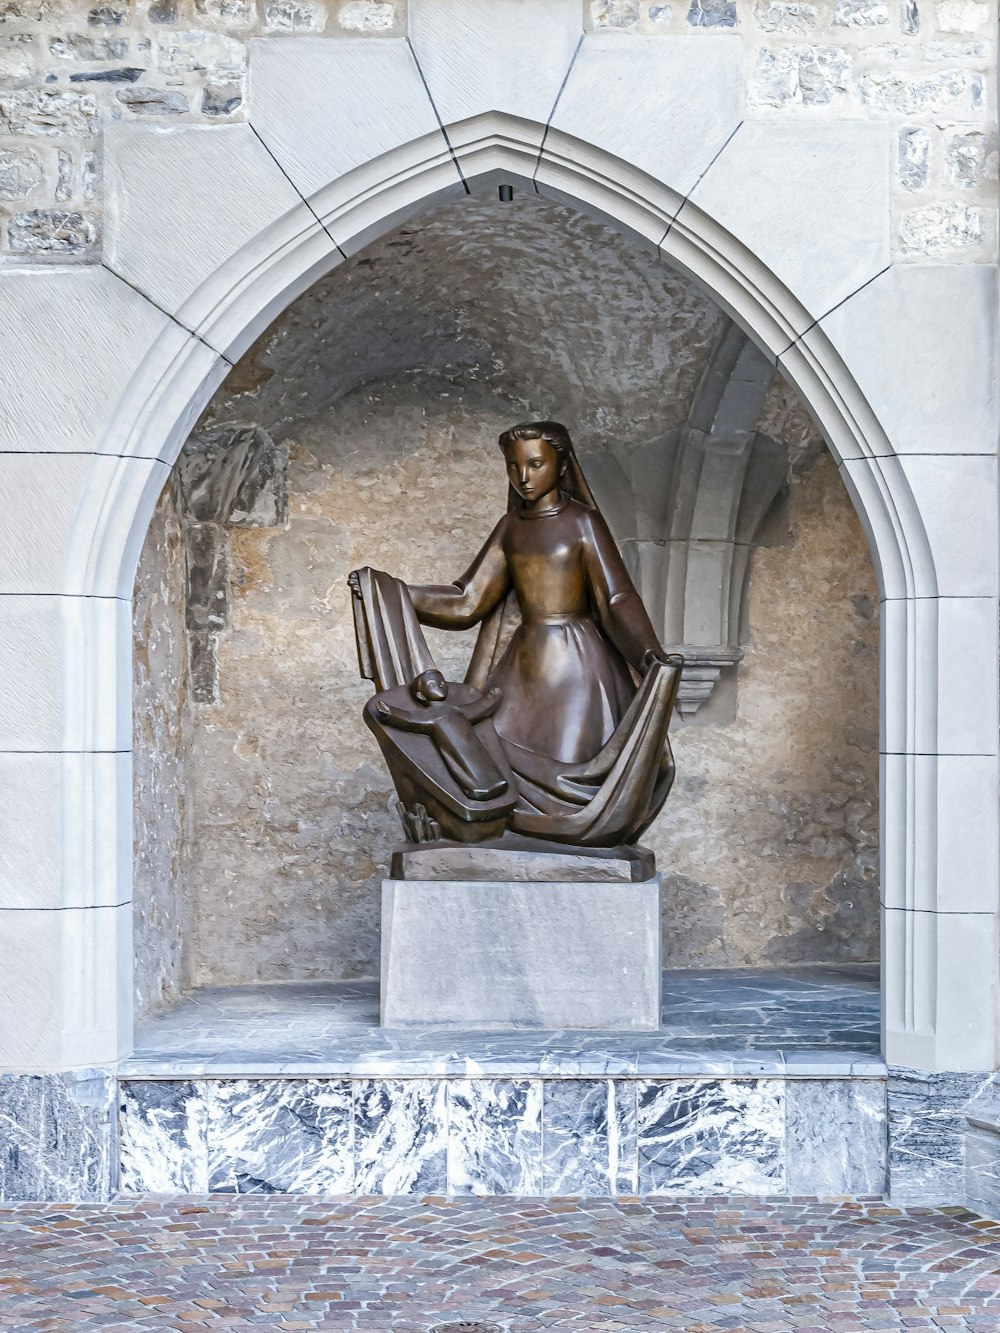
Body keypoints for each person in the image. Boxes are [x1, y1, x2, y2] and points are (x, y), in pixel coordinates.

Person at [407, 421, 671, 770]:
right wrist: (393, 591)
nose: (523, 477)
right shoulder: (510, 527)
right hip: (525, 664)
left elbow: (615, 597)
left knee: (568, 760)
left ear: (561, 467)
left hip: (578, 664)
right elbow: (468, 600)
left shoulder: (583, 521)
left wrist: (647, 652)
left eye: (535, 464)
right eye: (514, 466)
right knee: (493, 756)